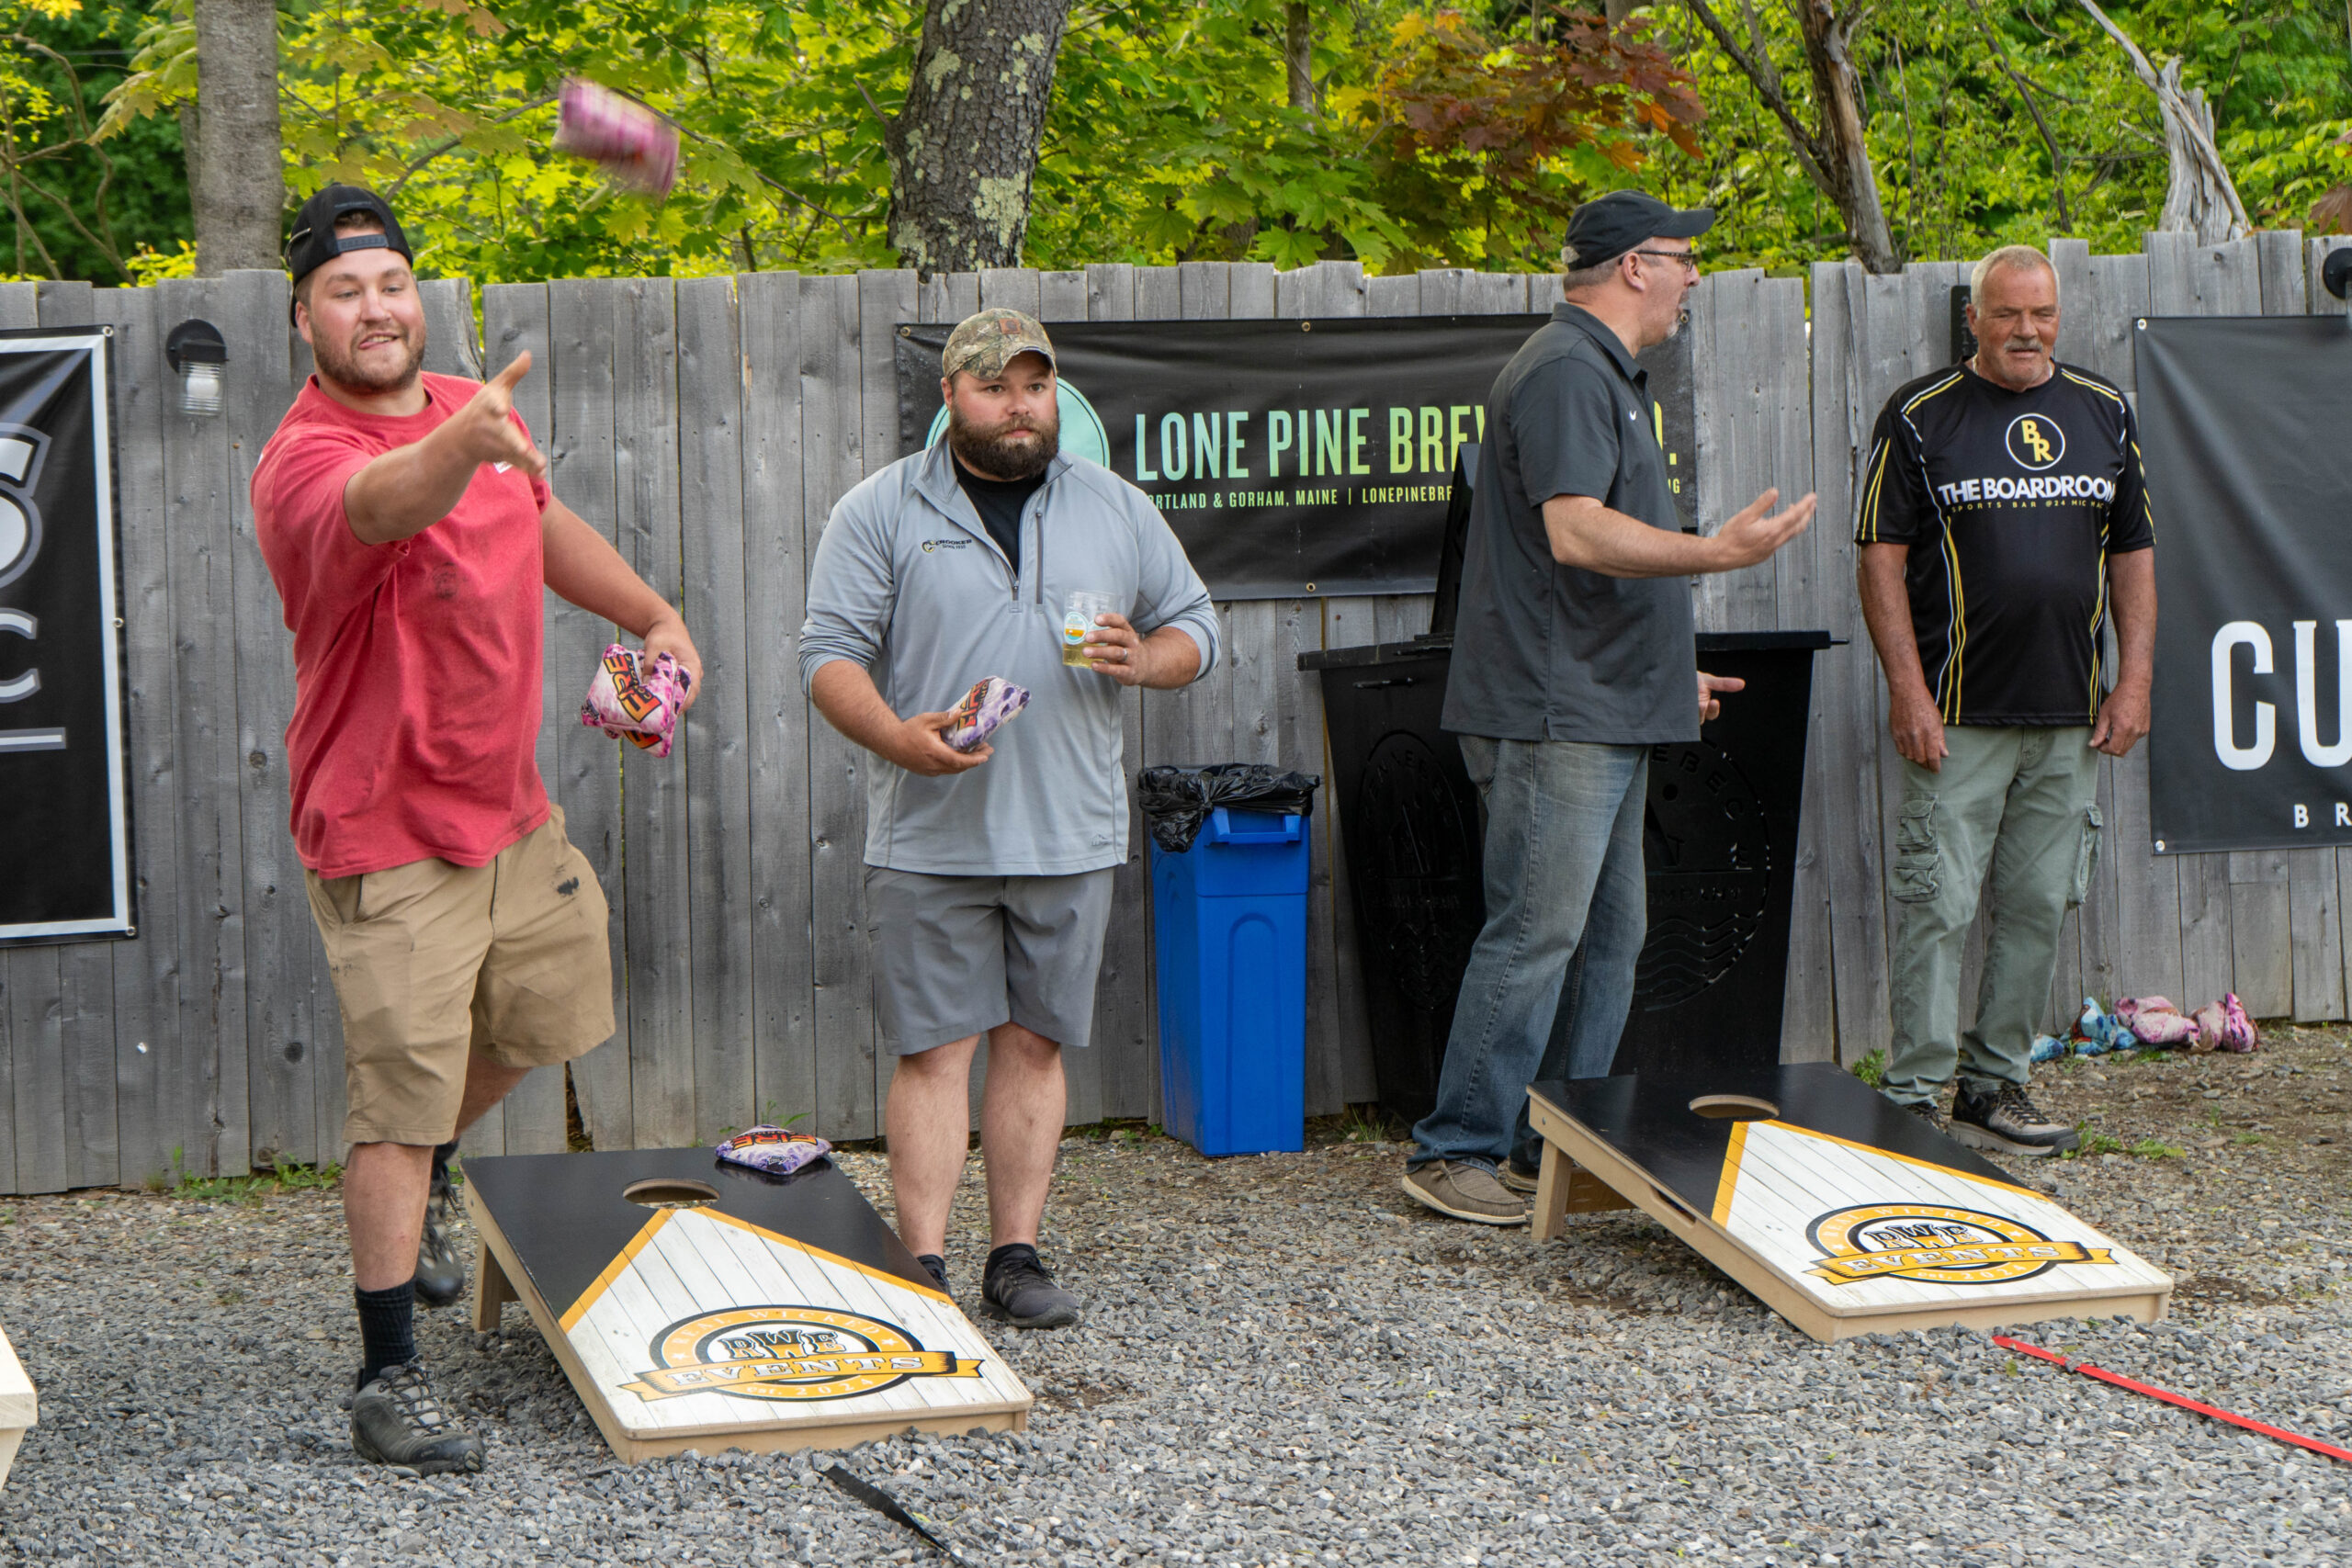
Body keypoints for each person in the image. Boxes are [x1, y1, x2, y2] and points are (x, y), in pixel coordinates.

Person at [253, 185, 703, 1472]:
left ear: (415, 291)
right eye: (345, 291)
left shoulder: (469, 408)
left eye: (390, 282)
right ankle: (387, 1371)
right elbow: (388, 504)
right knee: (394, 1101)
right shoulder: (306, 460)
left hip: (511, 812)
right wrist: (471, 439)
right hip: (384, 830)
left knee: (549, 1018)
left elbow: (536, 520)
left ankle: (446, 1159)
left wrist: (656, 615)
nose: (375, 307)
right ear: (306, 317)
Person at [1402, 190, 1817, 1225]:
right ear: (1634, 266)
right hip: (1556, 716)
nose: (1692, 279)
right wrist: (1718, 552)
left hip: (1605, 704)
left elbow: (1581, 587)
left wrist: (1664, 674)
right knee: (1535, 936)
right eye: (1684, 260)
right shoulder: (1563, 372)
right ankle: (1455, 1148)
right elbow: (1578, 535)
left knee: (1608, 938)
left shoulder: (1605, 376)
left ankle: (1564, 1145)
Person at [799, 308, 1219, 1325]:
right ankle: (927, 1263)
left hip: (1068, 830)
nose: (1016, 403)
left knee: (1034, 1044)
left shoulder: (1112, 505)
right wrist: (901, 738)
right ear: (949, 396)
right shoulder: (881, 508)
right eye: (992, 385)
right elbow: (827, 658)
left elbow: (1197, 626)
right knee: (934, 1050)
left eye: (1032, 383)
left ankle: (1016, 1259)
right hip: (930, 835)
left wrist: (1148, 659)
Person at [1855, 243, 2154, 1156]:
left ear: (2058, 316)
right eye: (2007, 313)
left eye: (2042, 314)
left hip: (2067, 716)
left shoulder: (2103, 412)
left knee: (2035, 907)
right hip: (1953, 715)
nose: (2026, 331)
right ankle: (1908, 1100)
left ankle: (1994, 1088)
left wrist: (2134, 680)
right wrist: (1906, 691)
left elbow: (2133, 553)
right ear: (1974, 319)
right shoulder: (1919, 415)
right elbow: (1878, 557)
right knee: (1938, 905)